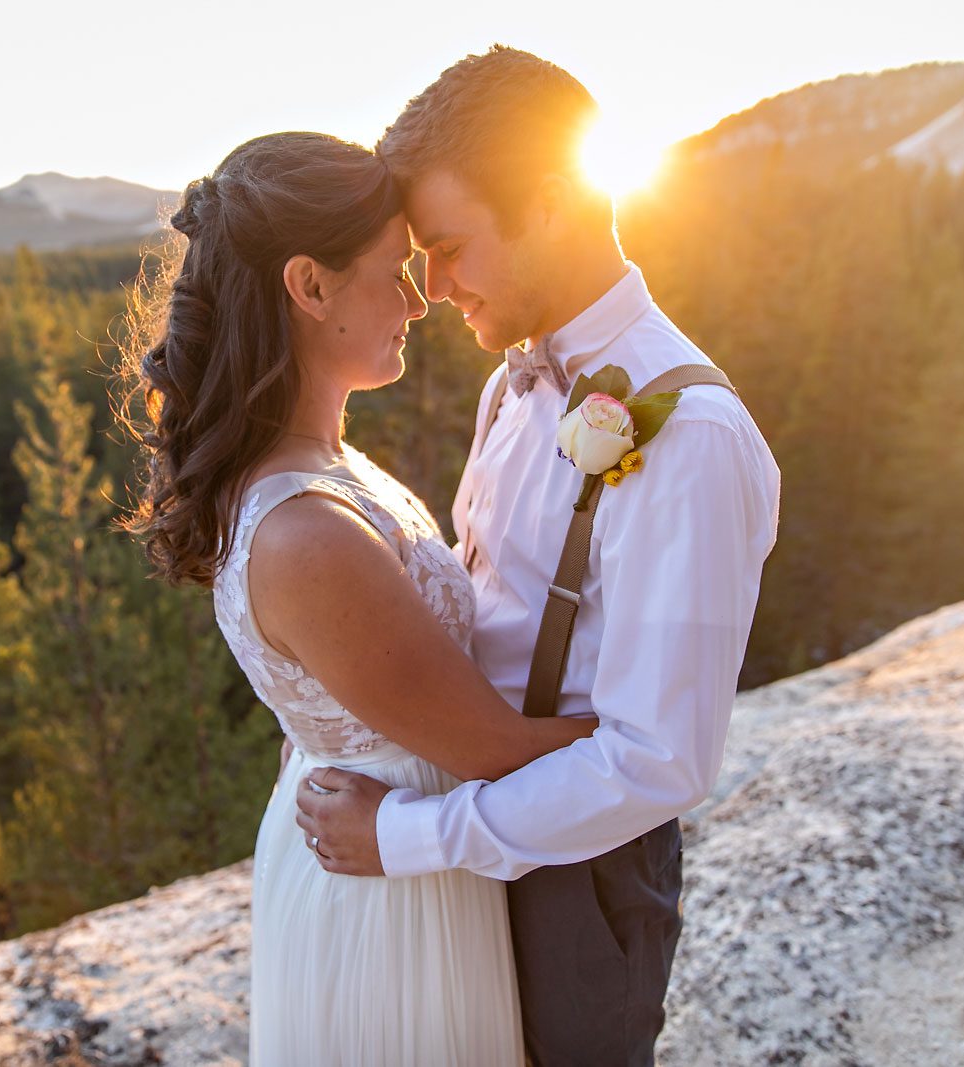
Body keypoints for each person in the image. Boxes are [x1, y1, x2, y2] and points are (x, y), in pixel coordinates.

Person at [295, 47, 781, 1067]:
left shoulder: (688, 435)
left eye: (451, 245)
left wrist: (409, 837)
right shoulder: (510, 382)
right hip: (464, 839)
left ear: (553, 202)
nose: (430, 288)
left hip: (580, 883)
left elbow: (657, 760)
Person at [120, 131, 598, 1065]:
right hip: (389, 892)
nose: (421, 301)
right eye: (395, 271)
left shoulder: (324, 468)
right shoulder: (306, 533)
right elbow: (493, 751)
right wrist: (659, 731)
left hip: (406, 851)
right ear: (310, 286)